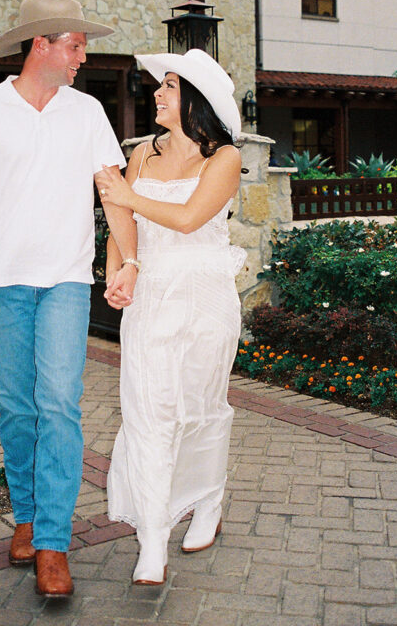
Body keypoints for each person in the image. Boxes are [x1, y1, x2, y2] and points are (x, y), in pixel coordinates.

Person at [0, 0, 138, 599]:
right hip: (2, 282)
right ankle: (25, 516)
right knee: (16, 409)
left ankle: (53, 542)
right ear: (41, 44)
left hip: (67, 283)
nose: (82, 57)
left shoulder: (88, 112)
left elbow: (113, 192)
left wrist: (129, 261)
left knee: (58, 405)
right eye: (74, 46)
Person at [95, 48, 245, 585]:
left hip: (205, 296)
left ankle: (208, 503)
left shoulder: (224, 158)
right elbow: (122, 222)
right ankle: (153, 538)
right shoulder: (141, 154)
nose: (157, 93)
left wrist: (126, 196)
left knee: (202, 408)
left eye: (169, 86)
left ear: (195, 100)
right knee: (149, 412)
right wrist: (120, 268)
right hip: (152, 295)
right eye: (160, 85)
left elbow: (186, 219)